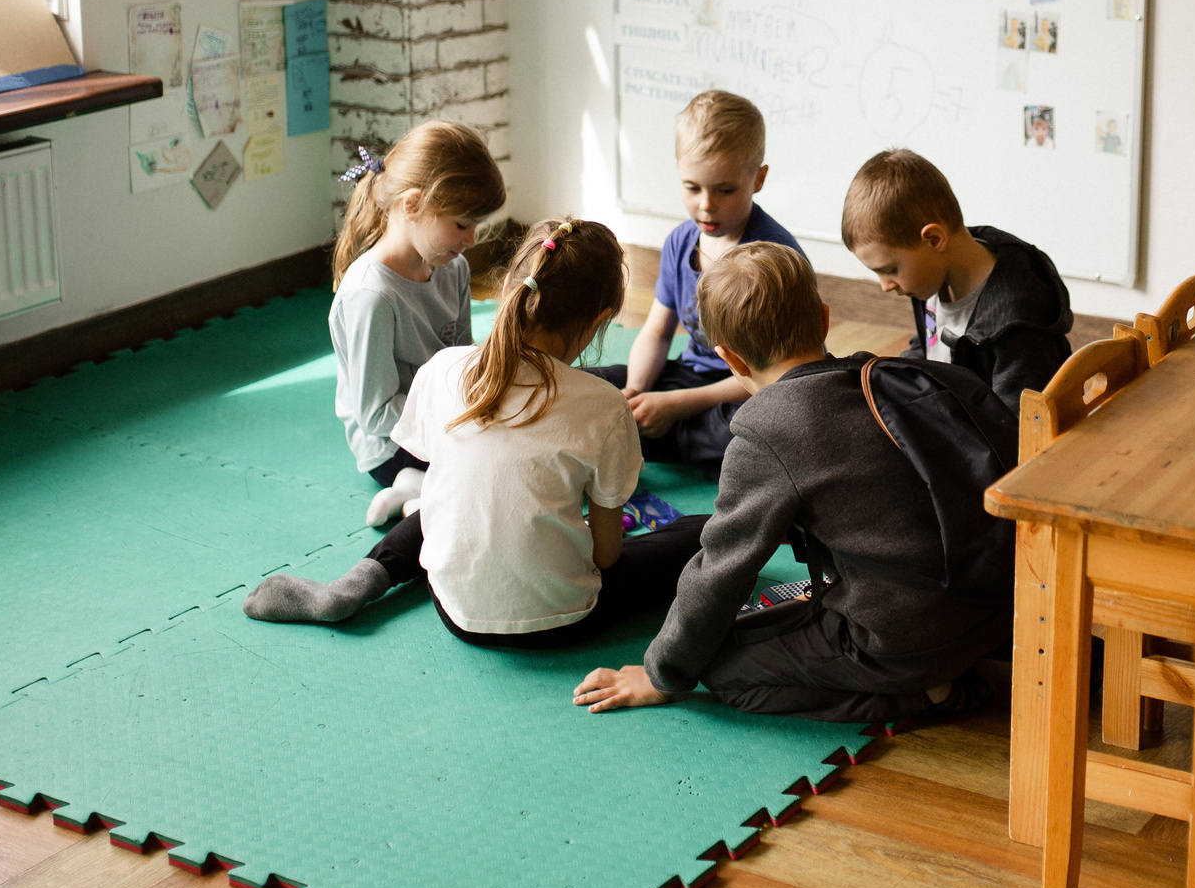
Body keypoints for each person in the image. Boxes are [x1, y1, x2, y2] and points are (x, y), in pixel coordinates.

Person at [573, 244, 1008, 723]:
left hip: (900, 639)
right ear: (824, 320)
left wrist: (661, 673)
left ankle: (929, 695)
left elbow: (720, 569)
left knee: (724, 671)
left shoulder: (766, 430)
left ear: (730, 359)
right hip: (994, 608)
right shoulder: (885, 376)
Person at [246, 218, 707, 641]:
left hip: (451, 605)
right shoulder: (606, 407)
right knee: (701, 534)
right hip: (561, 619)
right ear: (598, 320)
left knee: (441, 507)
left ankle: (356, 583)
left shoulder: (443, 368)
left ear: (508, 287)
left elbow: (455, 481)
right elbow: (606, 556)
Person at [587, 89, 800, 466]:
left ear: (759, 178)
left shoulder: (774, 258)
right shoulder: (679, 242)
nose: (706, 204)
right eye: (692, 187)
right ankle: (638, 430)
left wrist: (675, 405)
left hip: (748, 393)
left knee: (766, 432)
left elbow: (774, 375)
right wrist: (636, 390)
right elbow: (656, 332)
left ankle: (637, 437)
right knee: (590, 387)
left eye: (725, 190)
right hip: (689, 378)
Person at [326, 121, 507, 526]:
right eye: (462, 224)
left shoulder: (453, 268)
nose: (473, 239)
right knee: (493, 469)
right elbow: (375, 416)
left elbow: (461, 357)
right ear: (412, 205)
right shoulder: (370, 297)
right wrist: (455, 420)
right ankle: (412, 489)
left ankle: (418, 490)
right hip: (391, 445)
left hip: (442, 417)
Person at [838, 148, 1072, 412]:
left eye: (890, 269)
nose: (885, 285)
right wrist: (900, 379)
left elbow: (1017, 429)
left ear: (934, 239)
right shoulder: (931, 279)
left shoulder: (1017, 323)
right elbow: (929, 341)